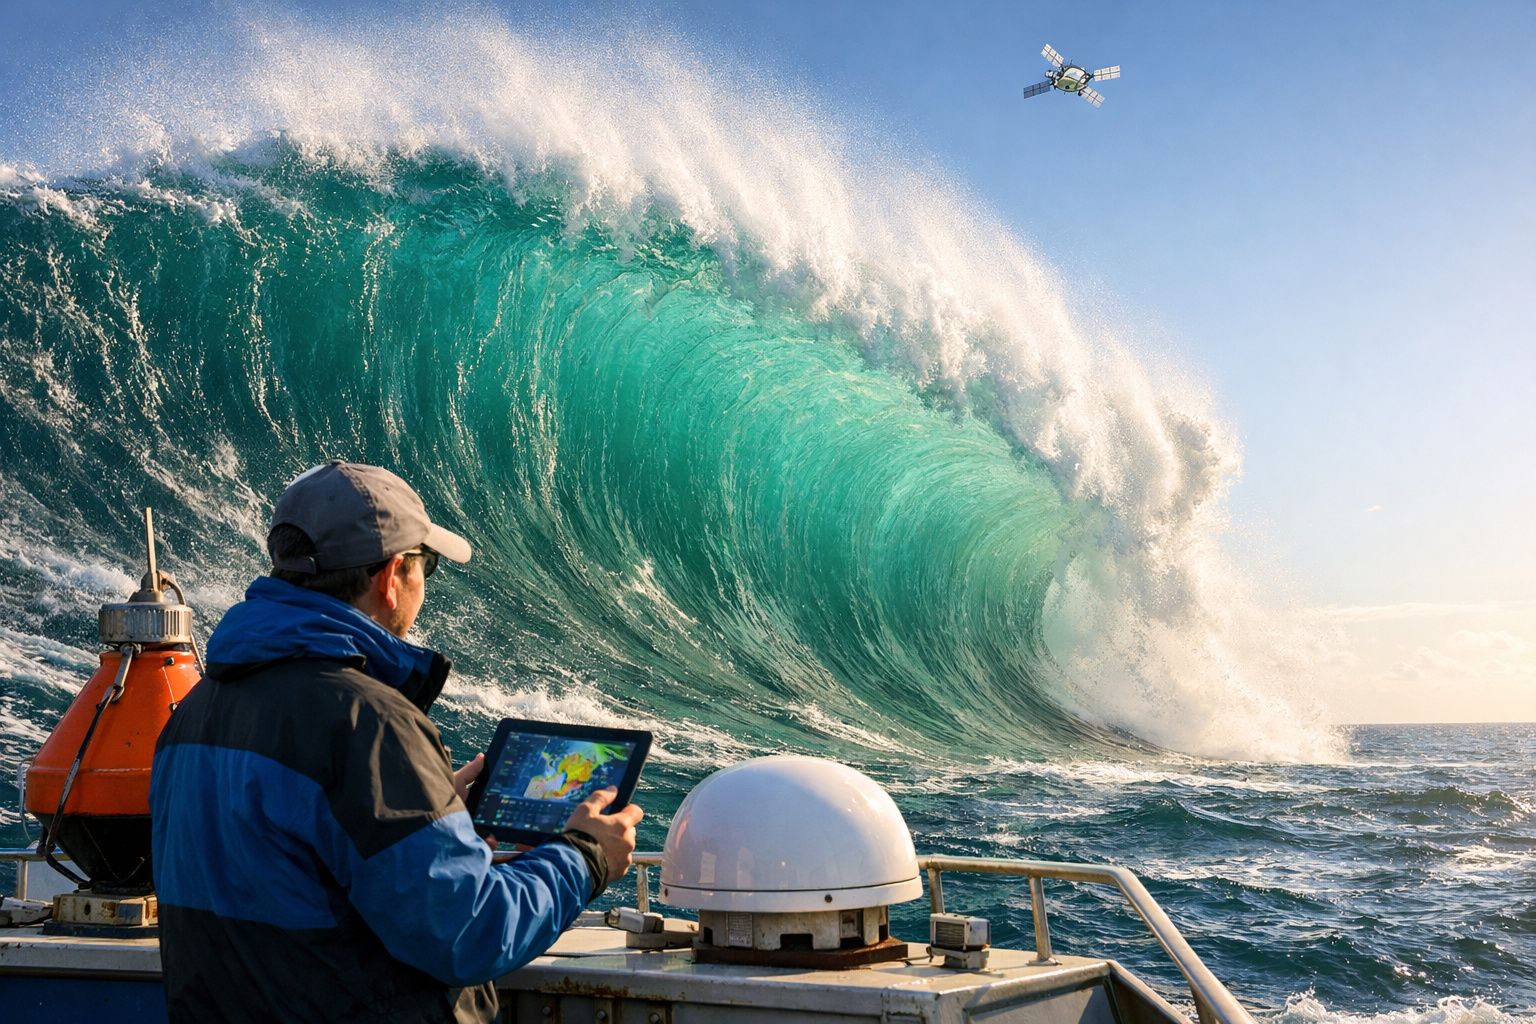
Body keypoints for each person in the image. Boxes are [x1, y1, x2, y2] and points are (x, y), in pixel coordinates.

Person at [150, 460, 643, 1023]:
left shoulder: (191, 713)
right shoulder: (366, 721)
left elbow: (289, 882)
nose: (425, 583)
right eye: (426, 565)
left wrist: (422, 816)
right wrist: (582, 857)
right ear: (390, 576)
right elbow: (469, 932)